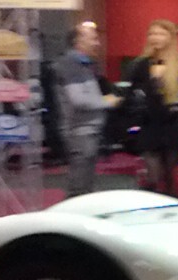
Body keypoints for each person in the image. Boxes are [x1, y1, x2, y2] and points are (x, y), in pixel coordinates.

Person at [123, 19, 178, 194]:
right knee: (153, 177)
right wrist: (155, 81)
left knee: (171, 178)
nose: (155, 38)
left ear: (170, 38)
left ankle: (172, 206)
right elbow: (131, 94)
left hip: (171, 126)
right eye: (152, 34)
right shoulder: (140, 65)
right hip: (149, 125)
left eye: (160, 34)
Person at [54, 22, 119, 198]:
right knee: (80, 184)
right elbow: (78, 100)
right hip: (80, 131)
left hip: (85, 130)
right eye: (93, 39)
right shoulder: (70, 64)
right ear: (78, 40)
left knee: (84, 181)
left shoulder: (82, 64)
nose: (97, 43)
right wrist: (107, 102)